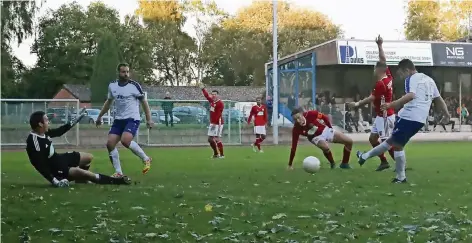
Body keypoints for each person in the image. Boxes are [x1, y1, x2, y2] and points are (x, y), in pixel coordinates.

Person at [356, 59, 450, 183]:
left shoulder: (411, 79)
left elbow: (410, 95)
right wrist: (447, 114)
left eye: (401, 73)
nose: (401, 76)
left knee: (397, 146)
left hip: (409, 116)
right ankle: (365, 156)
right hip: (420, 119)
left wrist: (391, 105)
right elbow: (438, 99)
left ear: (406, 70)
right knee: (391, 141)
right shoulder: (429, 79)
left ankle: (401, 177)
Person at [26, 110, 131, 187]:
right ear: (40, 124)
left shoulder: (43, 132)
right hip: (57, 170)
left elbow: (58, 132)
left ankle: (80, 180)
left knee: (88, 157)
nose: (49, 122)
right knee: (87, 174)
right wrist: (55, 180)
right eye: (46, 120)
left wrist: (74, 121)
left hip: (59, 159)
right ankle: (116, 181)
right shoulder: (34, 142)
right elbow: (40, 165)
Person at [96, 63, 153, 177]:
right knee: (110, 144)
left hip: (132, 118)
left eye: (127, 72)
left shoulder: (134, 85)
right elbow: (109, 102)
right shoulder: (112, 86)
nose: (126, 74)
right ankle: (118, 172)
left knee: (125, 141)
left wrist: (148, 119)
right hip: (119, 120)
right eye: (123, 72)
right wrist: (99, 116)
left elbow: (144, 102)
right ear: (118, 72)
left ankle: (146, 159)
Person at [348, 35, 395, 171]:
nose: (373, 70)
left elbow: (372, 98)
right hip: (381, 115)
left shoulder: (381, 84)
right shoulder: (389, 77)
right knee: (373, 139)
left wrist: (357, 104)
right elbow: (383, 60)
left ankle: (399, 165)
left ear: (379, 70)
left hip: (385, 115)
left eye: (375, 68)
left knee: (387, 142)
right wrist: (379, 45)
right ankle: (384, 162)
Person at [288, 107, 353, 170]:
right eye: (295, 119)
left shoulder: (311, 114)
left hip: (324, 130)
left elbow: (323, 117)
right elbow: (294, 147)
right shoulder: (296, 129)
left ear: (302, 114)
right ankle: (332, 163)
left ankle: (344, 164)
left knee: (349, 142)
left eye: (298, 117)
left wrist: (330, 127)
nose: (298, 121)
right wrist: (290, 164)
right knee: (325, 147)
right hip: (314, 137)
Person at [199, 83, 225, 158]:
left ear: (218, 95)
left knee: (216, 138)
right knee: (210, 139)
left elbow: (219, 114)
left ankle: (222, 154)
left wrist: (214, 123)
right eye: (212, 94)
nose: (213, 95)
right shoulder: (212, 101)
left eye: (215, 94)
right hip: (213, 122)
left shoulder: (220, 103)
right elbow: (207, 96)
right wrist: (203, 89)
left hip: (218, 123)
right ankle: (216, 153)